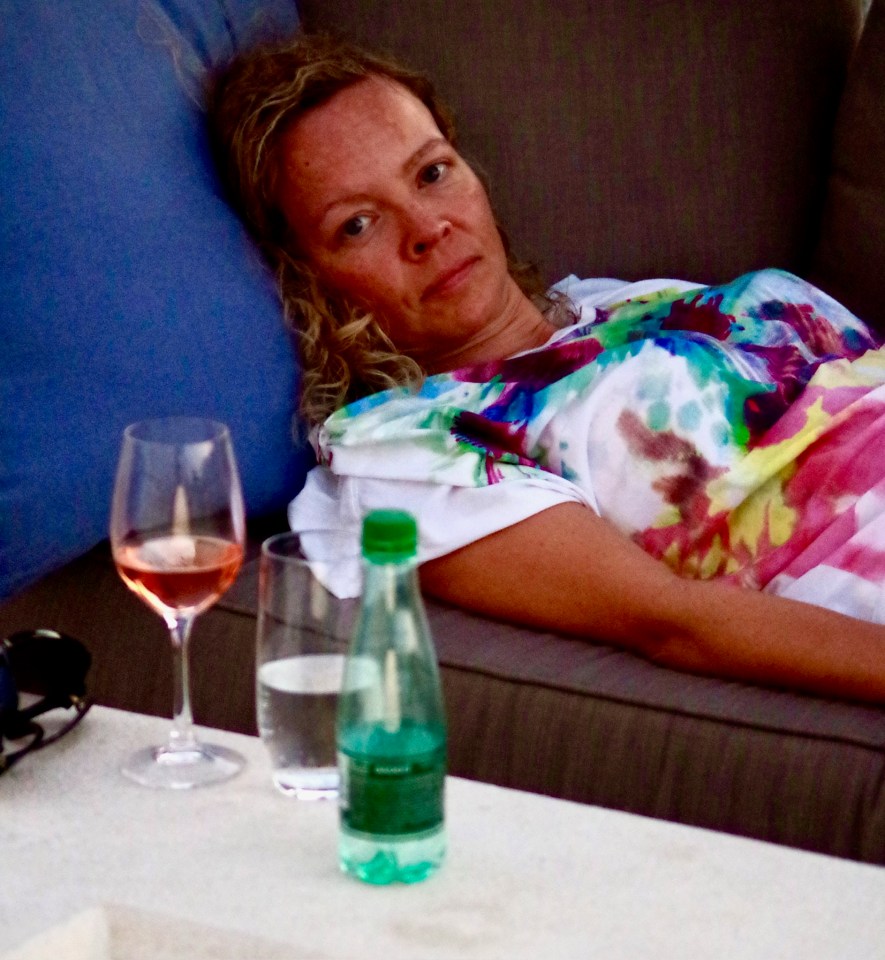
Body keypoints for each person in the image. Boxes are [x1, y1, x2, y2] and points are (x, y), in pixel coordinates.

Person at [208, 33, 885, 703]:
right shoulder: (410, 449)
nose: (427, 227)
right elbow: (673, 622)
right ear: (306, 283)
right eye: (358, 224)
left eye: (431, 172)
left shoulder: (618, 303)